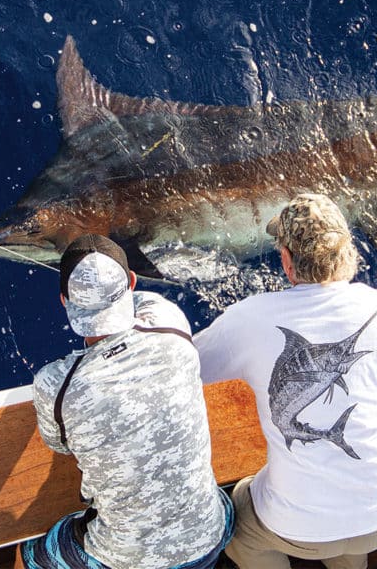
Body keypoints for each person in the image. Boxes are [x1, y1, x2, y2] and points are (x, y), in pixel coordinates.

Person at [193, 194, 377, 569]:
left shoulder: (248, 317)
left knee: (239, 520)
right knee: (352, 540)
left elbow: (186, 367)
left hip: (292, 527)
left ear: (286, 260)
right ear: (347, 252)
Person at [25, 234, 233, 569]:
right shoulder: (172, 325)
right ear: (133, 282)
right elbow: (144, 305)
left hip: (127, 560)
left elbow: (59, 446)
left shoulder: (53, 382)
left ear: (64, 300)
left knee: (31, 554)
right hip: (212, 533)